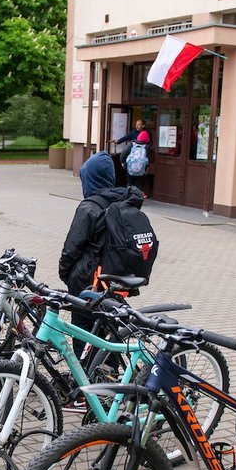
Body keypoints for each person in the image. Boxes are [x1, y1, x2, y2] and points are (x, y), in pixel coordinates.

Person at [59, 150, 143, 352]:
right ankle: (109, 374)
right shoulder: (124, 203)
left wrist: (67, 275)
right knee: (109, 333)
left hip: (87, 283)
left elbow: (71, 249)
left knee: (83, 333)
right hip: (113, 281)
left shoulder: (89, 207)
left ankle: (86, 378)